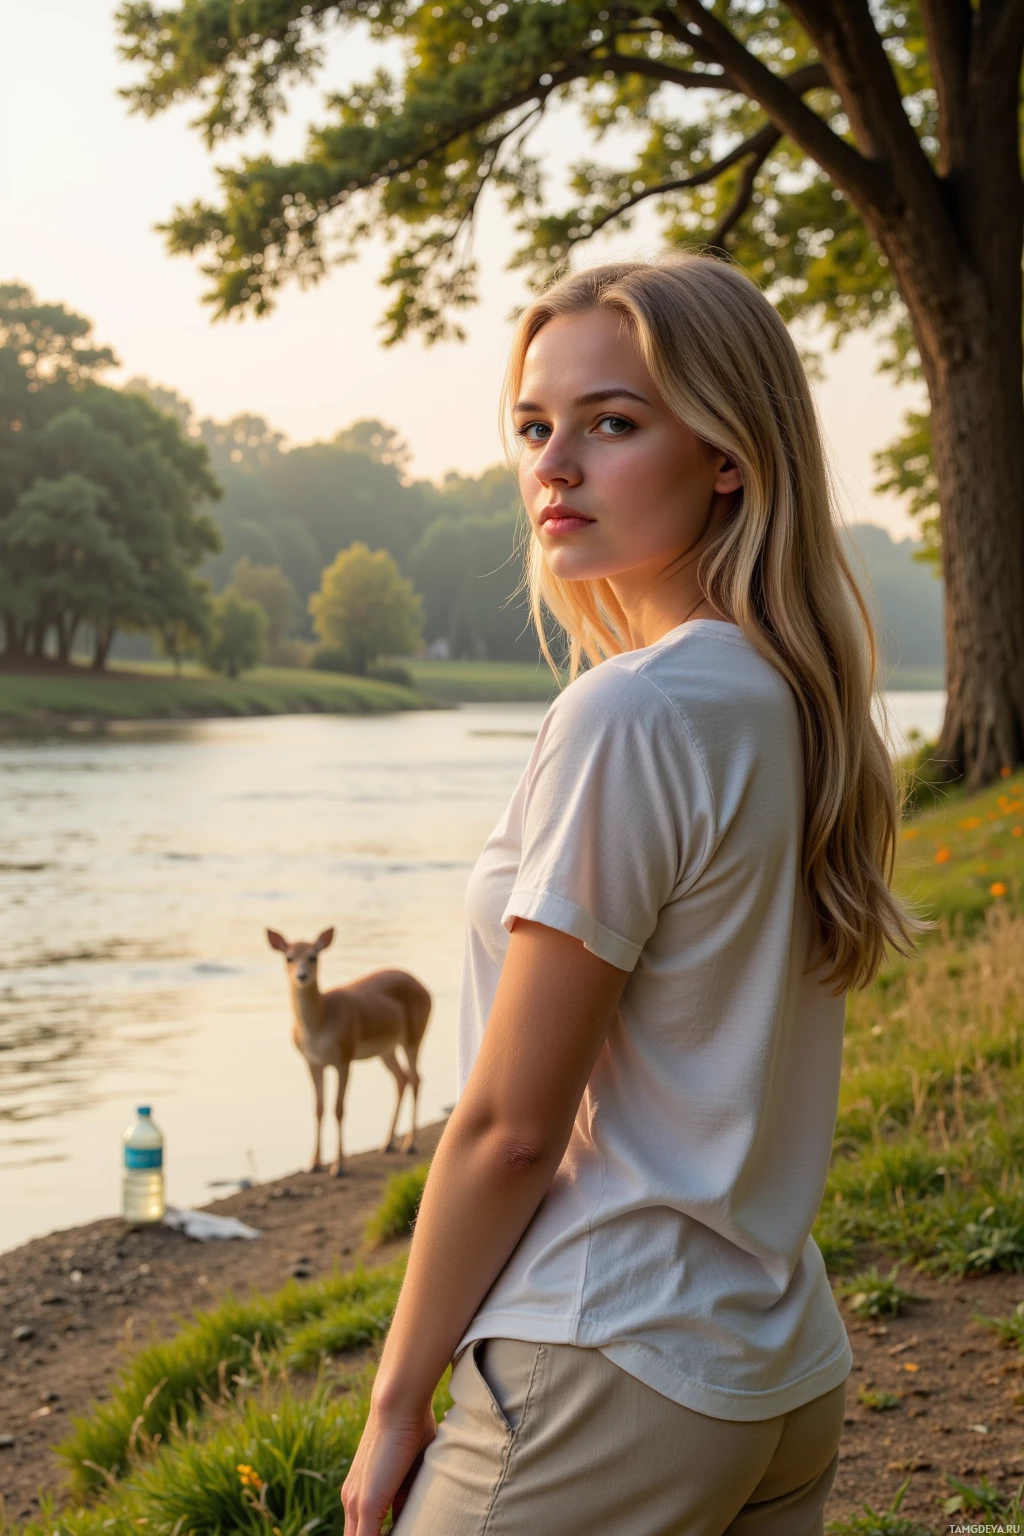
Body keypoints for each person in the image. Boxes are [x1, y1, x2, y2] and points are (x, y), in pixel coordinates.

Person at [340, 254, 919, 1536]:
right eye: (536, 427)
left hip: (603, 1360)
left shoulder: (635, 711)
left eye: (611, 423)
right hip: (775, 1366)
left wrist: (396, 1402)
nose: (553, 465)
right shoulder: (792, 702)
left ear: (727, 453)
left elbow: (510, 1127)